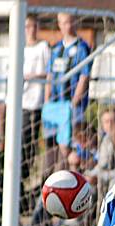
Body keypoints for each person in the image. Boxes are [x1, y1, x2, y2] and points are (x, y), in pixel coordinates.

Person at [42, 12, 92, 169]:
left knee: (69, 145)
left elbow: (84, 76)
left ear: (76, 23)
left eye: (70, 22)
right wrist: (46, 99)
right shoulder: (56, 48)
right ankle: (50, 180)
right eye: (63, 23)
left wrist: (75, 101)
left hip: (71, 106)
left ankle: (71, 181)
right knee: (52, 145)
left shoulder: (82, 48)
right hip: (54, 104)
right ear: (59, 25)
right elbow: (50, 76)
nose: (67, 26)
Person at [21, 14, 50, 187]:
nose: (31, 30)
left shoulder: (43, 47)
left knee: (32, 143)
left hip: (35, 103)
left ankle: (30, 180)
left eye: (34, 26)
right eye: (27, 26)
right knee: (18, 145)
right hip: (19, 103)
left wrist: (32, 76)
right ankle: (22, 183)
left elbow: (49, 72)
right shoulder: (18, 47)